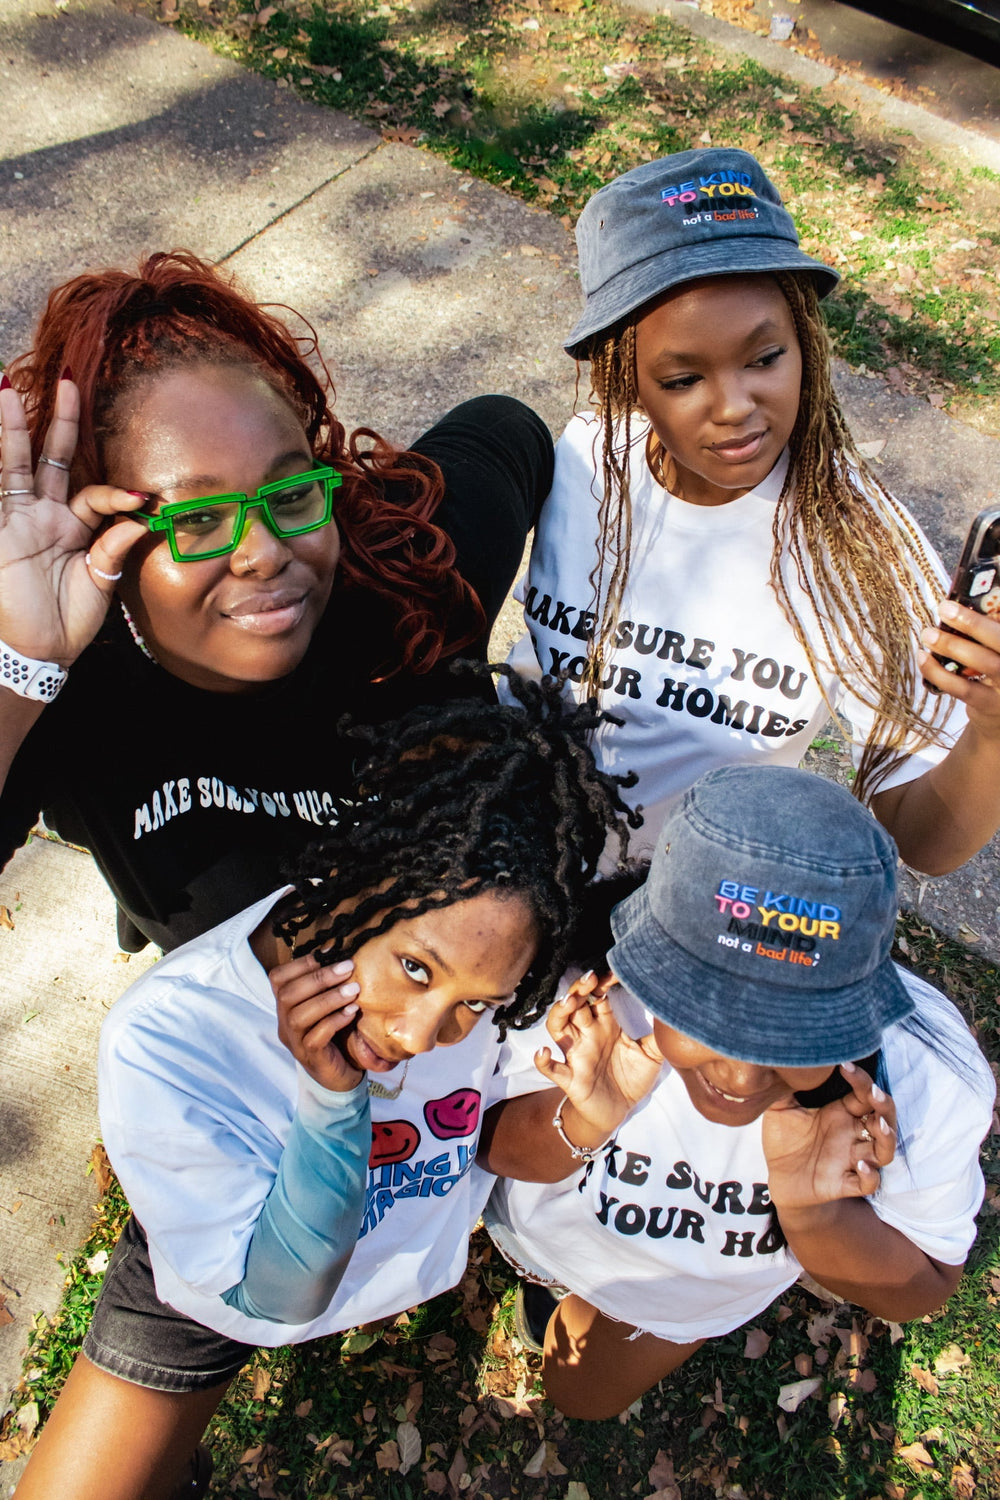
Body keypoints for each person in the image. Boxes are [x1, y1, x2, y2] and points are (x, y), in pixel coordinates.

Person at [14, 673, 637, 1500]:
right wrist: (331, 1101)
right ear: (363, 870)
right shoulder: (169, 1038)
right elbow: (279, 1295)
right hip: (229, 1282)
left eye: (475, 1006)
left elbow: (496, 1140)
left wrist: (593, 1113)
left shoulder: (497, 970)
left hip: (390, 1260)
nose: (421, 1036)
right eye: (414, 967)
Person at [0, 250, 553, 951]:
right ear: (103, 541)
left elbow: (511, 429)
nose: (262, 551)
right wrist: (23, 661)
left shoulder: (412, 571)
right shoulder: (70, 685)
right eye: (197, 519)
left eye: (290, 494)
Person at [506, 147, 1000, 875]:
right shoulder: (584, 458)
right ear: (626, 378)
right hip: (497, 852)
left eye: (765, 358)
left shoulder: (855, 543)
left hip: (673, 914)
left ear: (806, 344)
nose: (737, 407)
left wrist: (990, 735)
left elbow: (920, 841)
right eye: (681, 378)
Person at [479, 764, 996, 1420]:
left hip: (673, 1301)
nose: (742, 1077)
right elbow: (478, 1139)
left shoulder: (922, 1083)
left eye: (796, 1036)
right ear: (642, 952)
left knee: (580, 1397)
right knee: (536, 1274)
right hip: (535, 1223)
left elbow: (922, 1287)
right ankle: (544, 1283)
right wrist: (581, 1118)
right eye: (707, 1020)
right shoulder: (570, 988)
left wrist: (816, 1214)